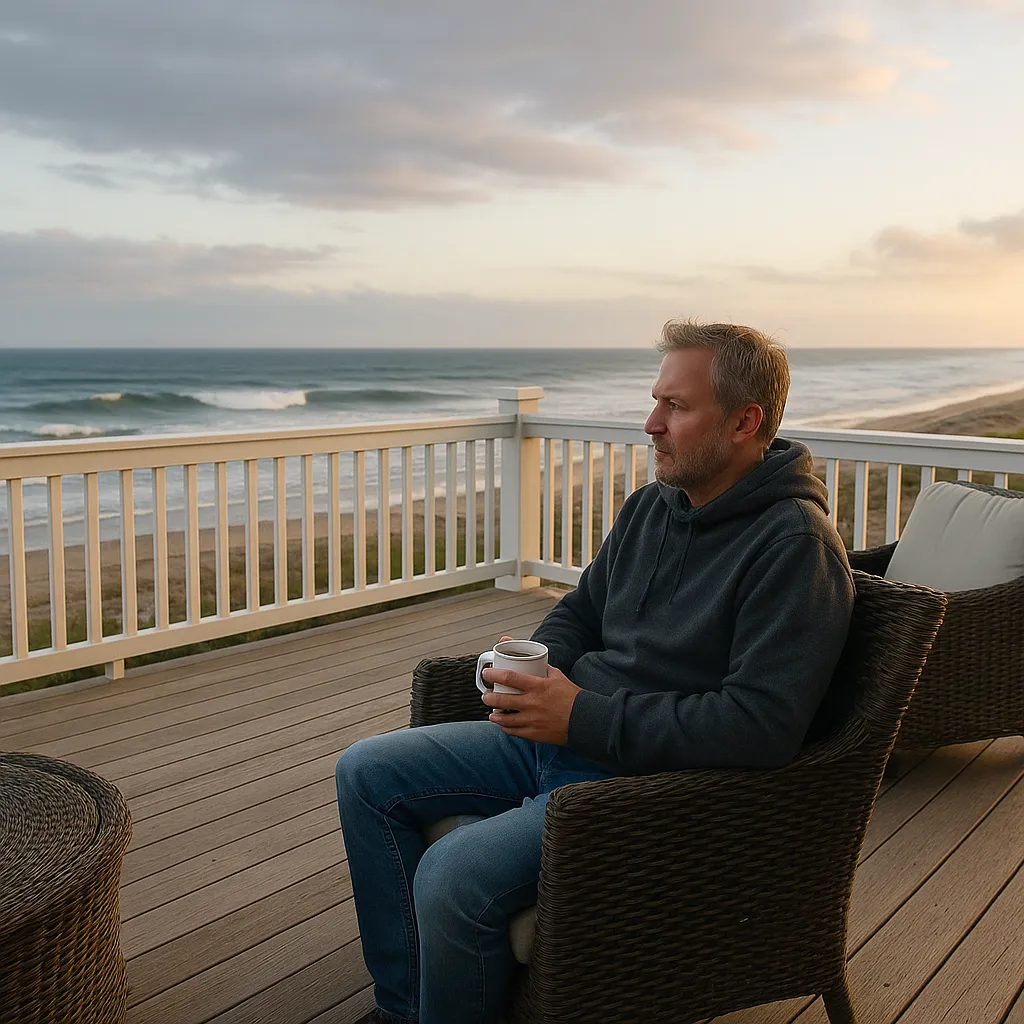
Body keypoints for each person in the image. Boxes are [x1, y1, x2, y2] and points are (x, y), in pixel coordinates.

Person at [336, 319, 855, 1024]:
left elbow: (761, 725)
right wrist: (537, 665)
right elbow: (583, 609)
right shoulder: (653, 507)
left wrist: (581, 714)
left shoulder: (794, 547)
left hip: (642, 790)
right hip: (561, 742)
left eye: (676, 407)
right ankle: (405, 1010)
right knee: (366, 772)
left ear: (744, 421)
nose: (652, 423)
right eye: (656, 401)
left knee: (453, 876)